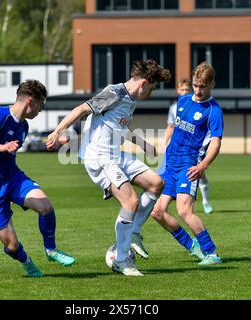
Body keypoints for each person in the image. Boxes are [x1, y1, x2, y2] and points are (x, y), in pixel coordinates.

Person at [47, 59, 171, 276]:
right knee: (131, 201)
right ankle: (121, 260)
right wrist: (58, 131)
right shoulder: (114, 93)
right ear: (143, 83)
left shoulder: (130, 99)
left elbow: (120, 127)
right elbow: (81, 109)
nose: (150, 94)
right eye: (151, 88)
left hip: (117, 155)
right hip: (100, 158)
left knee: (156, 183)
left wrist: (143, 145)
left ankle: (133, 233)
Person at [0, 79, 75, 278]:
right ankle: (27, 263)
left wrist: (53, 142)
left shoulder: (23, 126)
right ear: (30, 101)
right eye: (41, 105)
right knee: (12, 245)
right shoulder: (0, 115)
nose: (41, 110)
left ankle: (51, 250)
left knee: (46, 207)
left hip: (13, 177)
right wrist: (1, 147)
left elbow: (11, 149)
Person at [151, 62, 223, 266]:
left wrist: (203, 165)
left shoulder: (213, 110)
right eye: (195, 85)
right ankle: (192, 247)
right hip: (169, 165)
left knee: (184, 210)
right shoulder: (182, 101)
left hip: (188, 165)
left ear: (212, 85)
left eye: (203, 86)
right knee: (157, 212)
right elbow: (173, 129)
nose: (198, 90)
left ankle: (212, 253)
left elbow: (216, 142)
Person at [164, 78, 214, 214]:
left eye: (187, 89)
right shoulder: (175, 107)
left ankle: (205, 202)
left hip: (192, 152)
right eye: (182, 89)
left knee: (200, 175)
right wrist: (165, 143)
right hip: (175, 150)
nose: (185, 92)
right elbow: (170, 126)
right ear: (178, 90)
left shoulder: (208, 108)